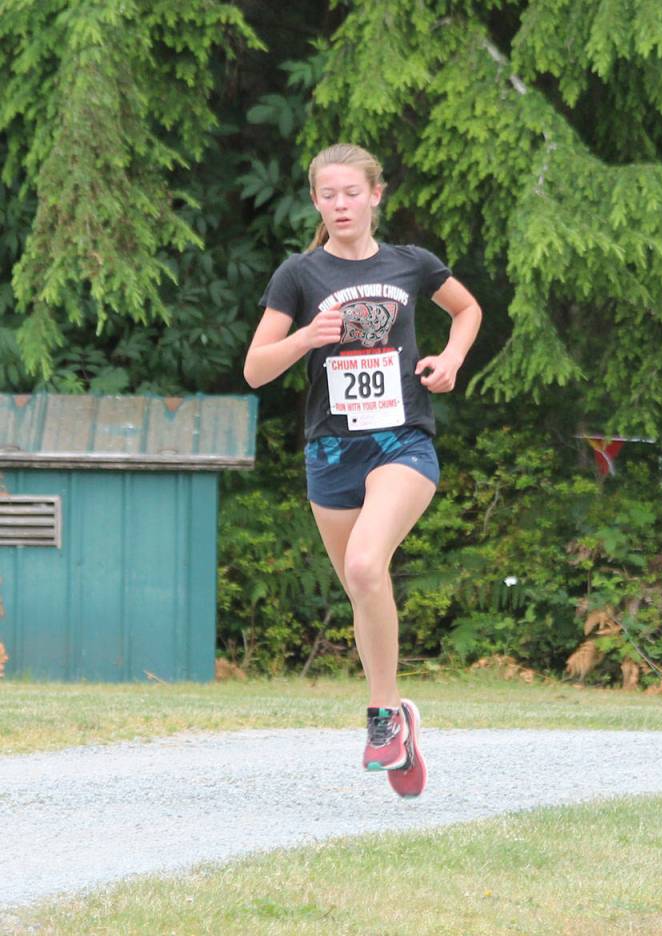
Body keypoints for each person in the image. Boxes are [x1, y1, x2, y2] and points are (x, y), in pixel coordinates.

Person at [244, 143, 482, 796]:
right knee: (363, 585)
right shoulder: (298, 274)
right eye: (329, 195)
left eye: (353, 192)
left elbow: (468, 309)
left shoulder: (412, 264)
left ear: (376, 195)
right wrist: (305, 339)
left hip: (402, 442)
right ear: (316, 201)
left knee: (362, 565)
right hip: (330, 452)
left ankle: (380, 719)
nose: (341, 204)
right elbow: (255, 368)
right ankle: (398, 716)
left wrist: (452, 359)